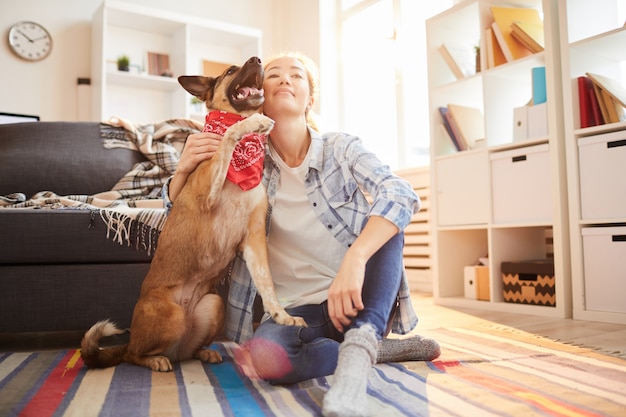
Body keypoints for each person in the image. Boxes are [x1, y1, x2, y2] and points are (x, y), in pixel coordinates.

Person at [164, 51, 440, 417]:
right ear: (255, 95)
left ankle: (359, 353)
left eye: (296, 75)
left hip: (358, 297)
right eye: (273, 75)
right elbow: (185, 221)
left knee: (388, 222)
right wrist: (182, 171)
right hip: (298, 313)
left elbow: (401, 194)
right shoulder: (244, 166)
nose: (283, 79)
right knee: (264, 358)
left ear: (310, 98)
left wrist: (355, 260)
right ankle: (375, 348)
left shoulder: (340, 148)